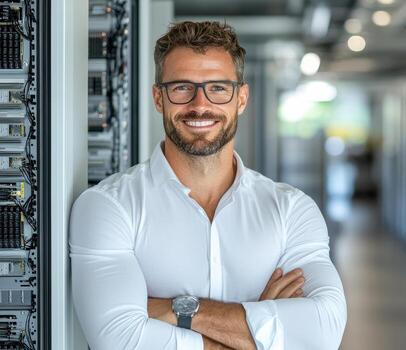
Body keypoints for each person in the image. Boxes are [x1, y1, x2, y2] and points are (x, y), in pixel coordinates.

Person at [69, 21, 347, 349]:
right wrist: (260, 325)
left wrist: (176, 310)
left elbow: (323, 333)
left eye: (217, 88)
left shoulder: (291, 210)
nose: (200, 104)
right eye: (182, 87)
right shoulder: (108, 206)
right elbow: (121, 340)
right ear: (159, 98)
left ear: (241, 98)